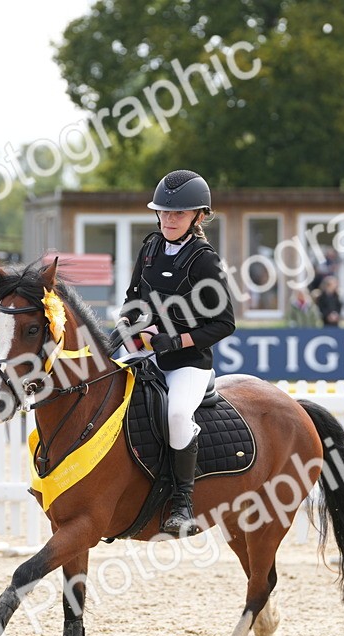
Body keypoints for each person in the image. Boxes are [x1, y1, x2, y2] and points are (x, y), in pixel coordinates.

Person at [114, 169, 236, 536]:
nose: (169, 219)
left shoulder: (205, 260)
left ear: (198, 216)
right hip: (145, 353)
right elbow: (132, 300)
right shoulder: (150, 248)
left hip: (187, 363)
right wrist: (125, 327)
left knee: (179, 414)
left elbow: (225, 323)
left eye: (178, 214)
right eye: (164, 212)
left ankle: (183, 502)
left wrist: (176, 341)